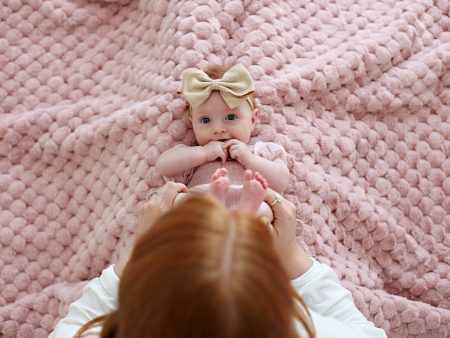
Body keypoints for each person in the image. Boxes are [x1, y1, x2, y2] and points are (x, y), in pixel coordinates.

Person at [50, 180, 387, 338]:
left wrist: (137, 255)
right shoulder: (309, 330)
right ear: (280, 303)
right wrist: (295, 261)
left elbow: (70, 329)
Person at [155, 63, 291, 222]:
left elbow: (282, 181)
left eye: (231, 117)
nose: (218, 129)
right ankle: (213, 202)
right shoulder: (195, 154)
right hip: (201, 207)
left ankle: (245, 213)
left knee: (265, 210)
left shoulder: (261, 151)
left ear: (252, 120)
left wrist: (250, 159)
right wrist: (203, 153)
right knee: (177, 202)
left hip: (246, 201)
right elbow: (164, 165)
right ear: (193, 124)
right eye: (205, 120)